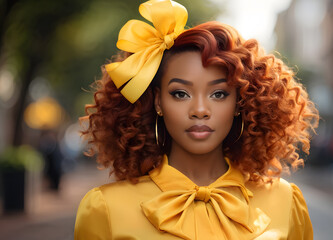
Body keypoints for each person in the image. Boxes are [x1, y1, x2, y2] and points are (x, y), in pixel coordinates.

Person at [74, 0, 319, 239]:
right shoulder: (105, 209)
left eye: (219, 94)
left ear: (239, 102)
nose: (200, 110)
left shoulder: (287, 203)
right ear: (159, 102)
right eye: (180, 94)